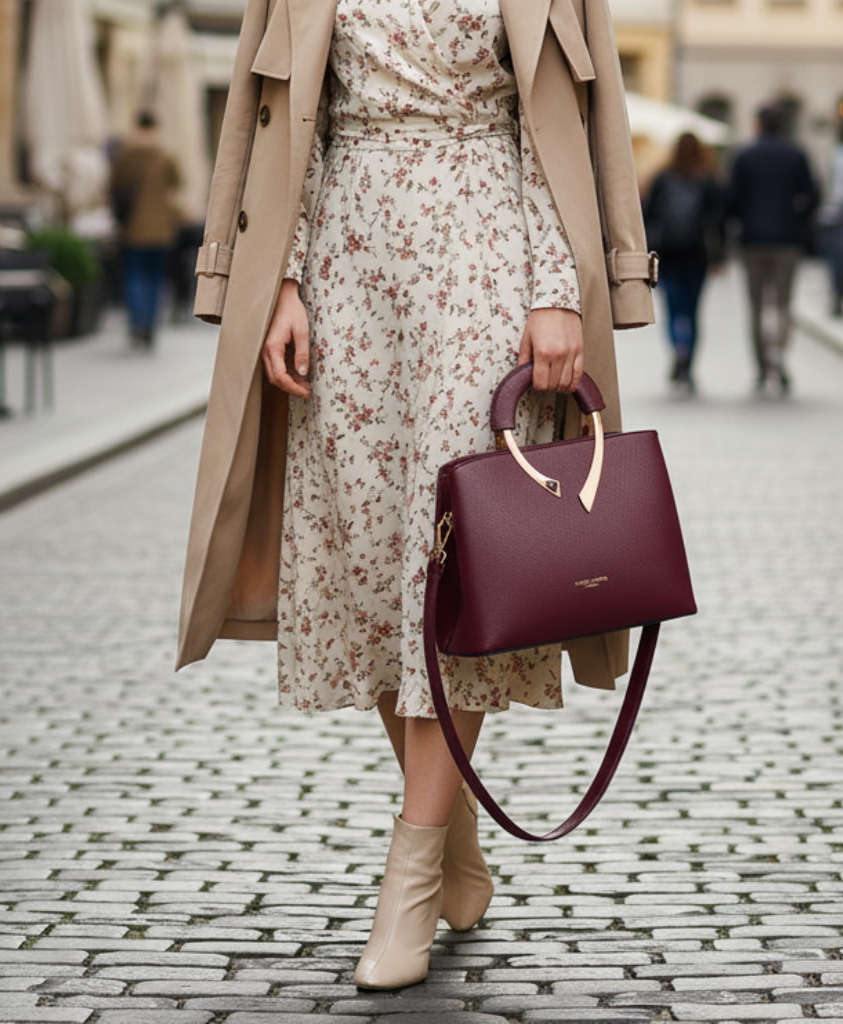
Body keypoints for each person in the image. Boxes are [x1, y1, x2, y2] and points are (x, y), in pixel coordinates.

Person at [176, 0, 655, 992]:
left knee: (454, 566)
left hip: (487, 258)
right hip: (346, 267)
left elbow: (559, 122)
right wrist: (280, 281)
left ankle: (410, 870)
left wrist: (558, 286)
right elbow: (285, 122)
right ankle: (457, 838)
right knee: (367, 556)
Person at [726, 103, 819, 394]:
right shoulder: (796, 155)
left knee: (756, 305)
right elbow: (814, 194)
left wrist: (737, 224)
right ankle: (778, 350)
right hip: (788, 240)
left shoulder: (744, 156)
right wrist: (797, 218)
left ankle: (761, 365)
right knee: (782, 302)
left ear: (759, 124)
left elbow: (731, 199)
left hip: (752, 240)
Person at [643, 132, 723, 392]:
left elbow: (647, 216)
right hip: (697, 254)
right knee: (692, 310)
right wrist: (719, 256)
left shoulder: (663, 178)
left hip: (669, 253)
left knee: (674, 309)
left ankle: (678, 348)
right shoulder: (707, 179)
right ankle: (687, 362)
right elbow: (718, 221)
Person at [110, 111, 180, 348]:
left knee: (135, 275)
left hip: (132, 227)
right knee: (156, 278)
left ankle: (137, 323)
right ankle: (150, 325)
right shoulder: (165, 153)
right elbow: (177, 182)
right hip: (161, 228)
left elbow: (113, 186)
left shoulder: (125, 153)